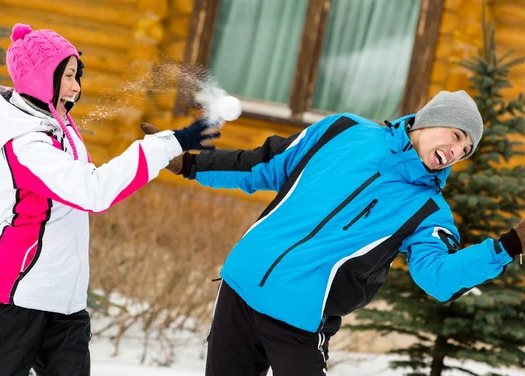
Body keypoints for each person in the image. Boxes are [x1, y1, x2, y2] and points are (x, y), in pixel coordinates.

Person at [141, 90, 525, 376]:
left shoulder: (428, 210)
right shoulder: (343, 130)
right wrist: (191, 164)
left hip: (299, 320)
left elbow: (438, 278)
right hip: (240, 289)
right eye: (457, 135)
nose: (458, 151)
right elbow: (266, 165)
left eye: (467, 148)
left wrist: (509, 245)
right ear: (429, 118)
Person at [0, 23, 219, 376]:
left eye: (78, 75)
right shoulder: (26, 144)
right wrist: (168, 144)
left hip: (65, 303)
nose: (76, 86)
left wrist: (168, 147)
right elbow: (93, 191)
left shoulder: (60, 127)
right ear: (43, 79)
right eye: (68, 75)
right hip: (14, 299)